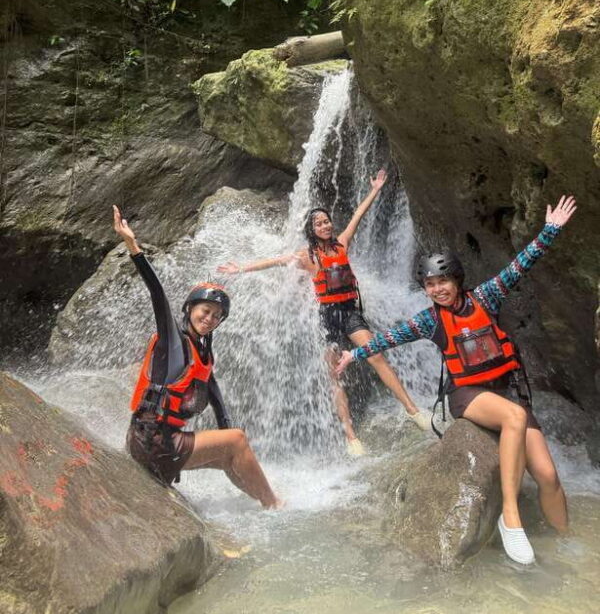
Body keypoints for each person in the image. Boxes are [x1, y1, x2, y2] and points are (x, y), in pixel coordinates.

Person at [336, 195, 576, 564]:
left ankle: (566, 541)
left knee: (548, 475)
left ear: (457, 280)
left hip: (508, 391)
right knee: (512, 418)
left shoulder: (486, 297)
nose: (437, 289)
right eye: (430, 284)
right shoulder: (429, 320)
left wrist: (550, 230)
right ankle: (510, 517)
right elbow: (390, 338)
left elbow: (519, 267)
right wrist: (354, 354)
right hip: (468, 395)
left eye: (443, 281)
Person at [218, 169, 431, 456]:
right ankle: (350, 435)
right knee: (334, 375)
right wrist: (240, 269)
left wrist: (376, 189)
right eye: (319, 223)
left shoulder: (342, 242)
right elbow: (274, 262)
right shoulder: (306, 257)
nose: (325, 225)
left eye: (327, 221)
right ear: (312, 230)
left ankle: (413, 410)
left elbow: (358, 215)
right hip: (328, 317)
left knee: (376, 354)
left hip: (350, 312)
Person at [113, 205, 280, 508]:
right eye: (205, 311)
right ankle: (275, 504)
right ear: (190, 310)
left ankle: (264, 505)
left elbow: (215, 397)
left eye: (217, 316)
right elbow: (157, 293)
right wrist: (132, 245)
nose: (210, 318)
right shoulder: (173, 341)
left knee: (231, 453)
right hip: (154, 443)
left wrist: (225, 425)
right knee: (237, 440)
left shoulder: (203, 354)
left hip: (157, 443)